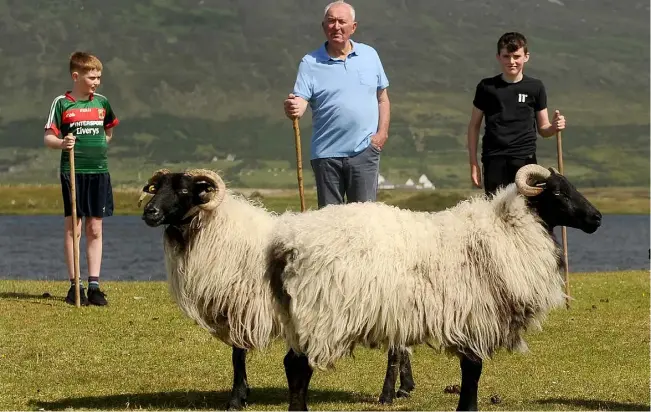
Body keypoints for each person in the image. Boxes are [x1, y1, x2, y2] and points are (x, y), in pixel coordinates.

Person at [283, 0, 390, 208]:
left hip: (364, 151)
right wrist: (293, 108)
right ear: (323, 27)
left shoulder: (369, 55)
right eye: (331, 21)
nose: (336, 26)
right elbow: (301, 101)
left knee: (364, 221)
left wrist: (381, 135)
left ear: (353, 27)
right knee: (329, 224)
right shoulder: (310, 62)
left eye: (342, 21)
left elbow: (382, 98)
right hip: (326, 155)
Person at [43, 51, 119, 306]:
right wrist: (63, 142)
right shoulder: (62, 104)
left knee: (95, 227)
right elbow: (48, 138)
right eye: (92, 77)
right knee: (73, 227)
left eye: (99, 77)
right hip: (73, 171)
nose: (96, 82)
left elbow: (108, 131)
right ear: (76, 76)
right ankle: (75, 285)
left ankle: (95, 284)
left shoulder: (102, 103)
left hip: (99, 170)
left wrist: (99, 144)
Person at [467, 32, 566, 196]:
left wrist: (555, 127)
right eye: (506, 56)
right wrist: (473, 163)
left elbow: (543, 128)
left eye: (516, 56)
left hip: (525, 160)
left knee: (526, 211)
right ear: (498, 57)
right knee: (495, 212)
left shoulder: (535, 87)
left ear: (526, 57)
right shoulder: (486, 87)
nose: (511, 61)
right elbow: (474, 126)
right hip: (494, 159)